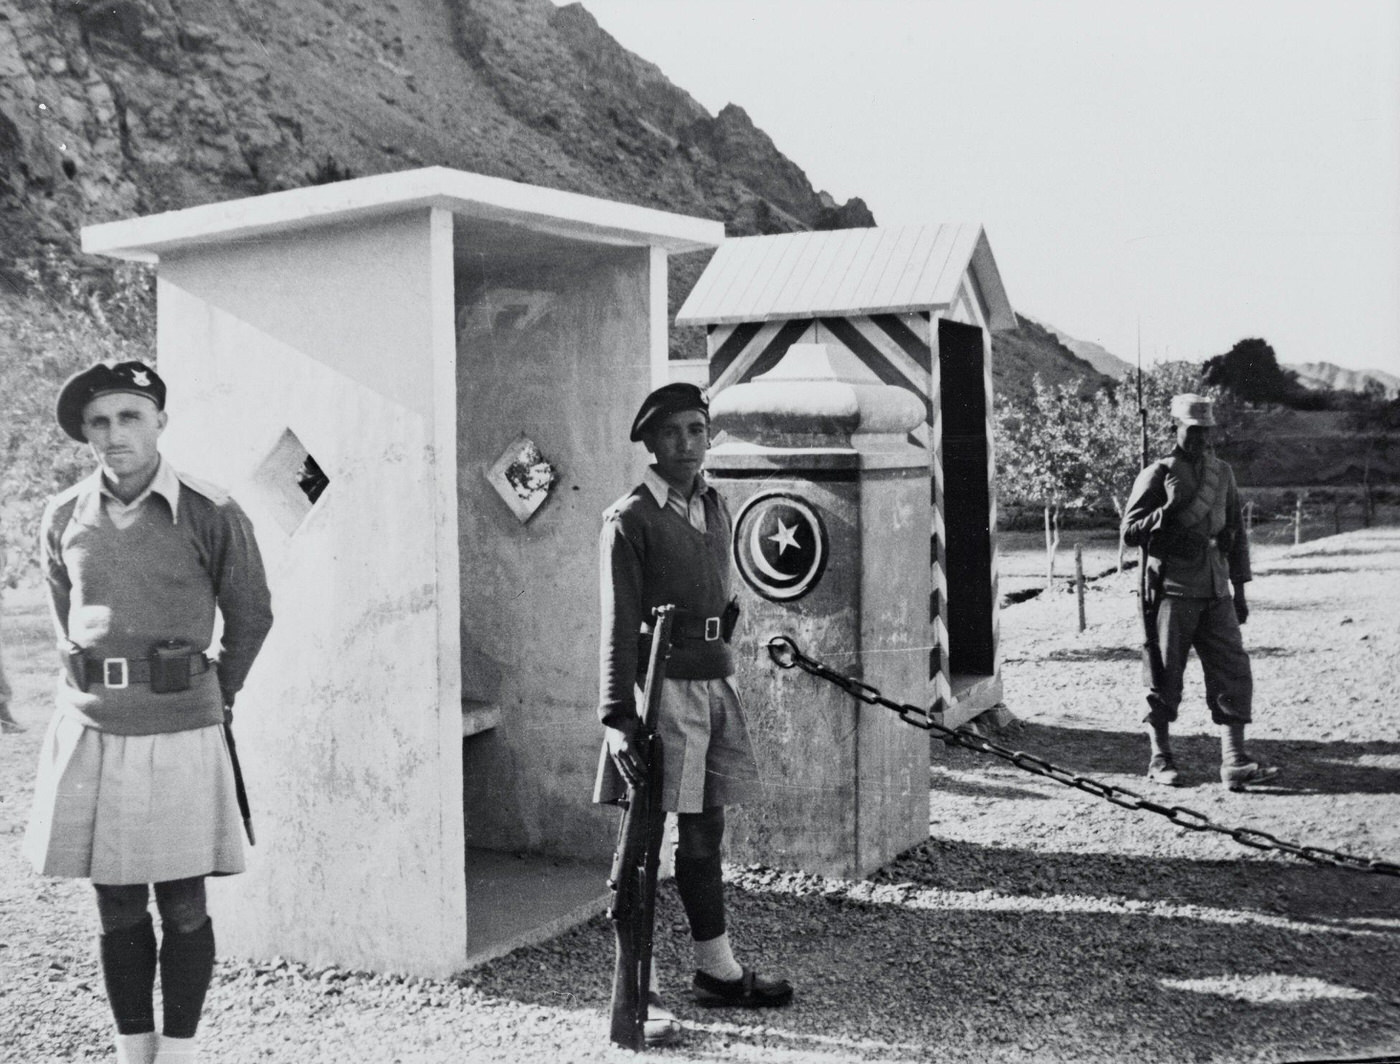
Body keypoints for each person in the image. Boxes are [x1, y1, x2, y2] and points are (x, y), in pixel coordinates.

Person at [22, 360, 274, 1064]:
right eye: (98, 422)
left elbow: (251, 613)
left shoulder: (209, 509)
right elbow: (62, 612)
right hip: (96, 727)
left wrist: (219, 692)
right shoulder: (62, 514)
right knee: (117, 905)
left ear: (160, 420)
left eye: (129, 416)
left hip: (180, 728)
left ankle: (182, 1052)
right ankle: (134, 1049)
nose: (114, 434)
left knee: (185, 903)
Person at [595, 382, 793, 1046]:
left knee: (705, 835)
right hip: (660, 695)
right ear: (650, 443)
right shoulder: (630, 519)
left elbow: (724, 598)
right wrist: (617, 715)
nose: (687, 443)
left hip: (712, 686)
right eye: (673, 432)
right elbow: (619, 627)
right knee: (645, 844)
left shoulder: (715, 503)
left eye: (698, 430)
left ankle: (716, 971)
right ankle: (636, 990)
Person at [1122, 392, 1279, 792]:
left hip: (1216, 589)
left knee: (1233, 670)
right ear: (1175, 428)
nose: (1201, 439)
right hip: (1172, 592)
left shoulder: (1221, 473)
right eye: (1193, 431)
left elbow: (1236, 536)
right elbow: (1129, 533)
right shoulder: (1157, 473)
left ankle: (1235, 761)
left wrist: (1240, 590)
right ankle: (1160, 759)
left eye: (1206, 431)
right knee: (1164, 675)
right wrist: (1168, 510)